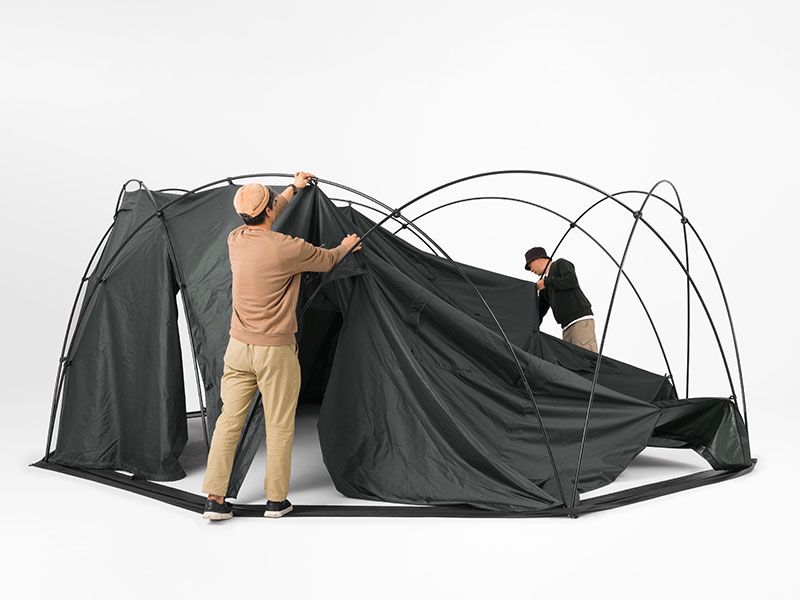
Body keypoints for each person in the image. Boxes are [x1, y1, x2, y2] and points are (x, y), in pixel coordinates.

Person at [201, 172, 362, 520]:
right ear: (270, 210)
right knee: (278, 425)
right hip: (275, 352)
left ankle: (215, 499)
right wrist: (346, 246)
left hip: (238, 348)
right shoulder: (289, 248)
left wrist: (292, 188)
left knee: (229, 422)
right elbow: (328, 259)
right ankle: (276, 501)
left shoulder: (235, 239)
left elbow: (270, 209)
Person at [524, 246, 597, 352]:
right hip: (566, 327)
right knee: (571, 360)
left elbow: (571, 280)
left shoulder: (560, 264)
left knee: (585, 356)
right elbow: (539, 311)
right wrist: (529, 329)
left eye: (529, 265)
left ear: (537, 259)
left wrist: (546, 282)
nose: (531, 270)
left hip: (580, 320)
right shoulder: (545, 286)